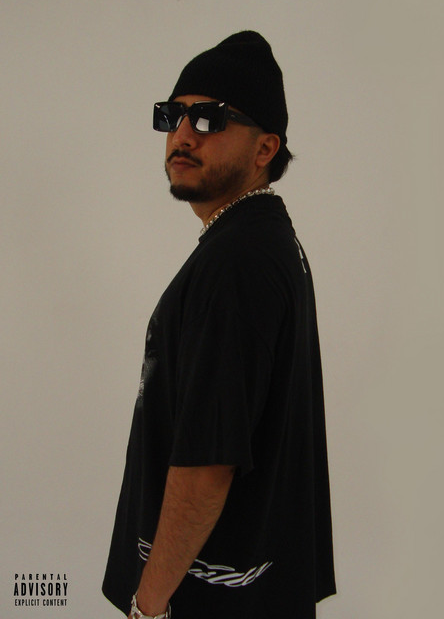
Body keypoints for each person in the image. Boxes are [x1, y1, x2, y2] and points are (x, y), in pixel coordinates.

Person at [102, 31, 336, 619]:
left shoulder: (238, 262)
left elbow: (208, 463)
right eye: (172, 116)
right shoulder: (263, 242)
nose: (182, 135)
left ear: (265, 149)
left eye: (209, 119)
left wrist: (149, 606)